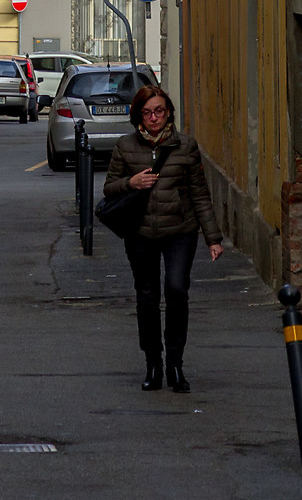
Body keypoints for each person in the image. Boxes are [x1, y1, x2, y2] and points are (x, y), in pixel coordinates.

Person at [104, 83, 223, 391]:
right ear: (138, 116)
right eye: (147, 113)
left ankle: (175, 364)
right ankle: (153, 364)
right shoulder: (124, 146)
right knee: (146, 296)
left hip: (179, 232)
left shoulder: (186, 146)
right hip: (140, 232)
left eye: (159, 111)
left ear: (168, 112)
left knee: (176, 289)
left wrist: (212, 237)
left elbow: (199, 194)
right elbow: (109, 189)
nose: (154, 118)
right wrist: (131, 182)